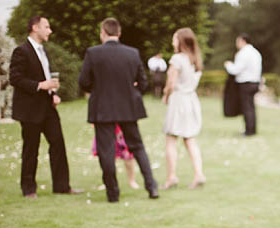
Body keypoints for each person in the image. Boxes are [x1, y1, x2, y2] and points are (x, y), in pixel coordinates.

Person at [79, 17, 158, 202]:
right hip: (128, 107)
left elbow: (83, 82)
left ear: (103, 33)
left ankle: (112, 193)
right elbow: (144, 82)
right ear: (119, 33)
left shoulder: (93, 53)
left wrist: (97, 91)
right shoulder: (132, 53)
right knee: (137, 147)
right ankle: (152, 187)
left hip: (102, 108)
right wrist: (131, 92)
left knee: (106, 151)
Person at [9, 16, 81, 199]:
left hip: (48, 108)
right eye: (46, 27)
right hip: (30, 110)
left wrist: (53, 94)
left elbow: (46, 78)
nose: (50, 31)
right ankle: (28, 189)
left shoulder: (43, 51)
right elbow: (15, 78)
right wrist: (41, 85)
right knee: (31, 150)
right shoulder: (21, 51)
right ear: (35, 28)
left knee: (58, 145)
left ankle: (62, 187)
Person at [162, 28, 206, 190]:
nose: (172, 42)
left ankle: (171, 177)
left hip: (179, 101)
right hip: (191, 101)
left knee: (171, 139)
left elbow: (171, 84)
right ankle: (199, 174)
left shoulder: (177, 59)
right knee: (190, 139)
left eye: (174, 39)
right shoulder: (195, 60)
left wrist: (166, 96)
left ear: (181, 41)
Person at [224, 33, 262, 136]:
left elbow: (236, 70)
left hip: (246, 83)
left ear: (243, 41)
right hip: (255, 82)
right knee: (251, 107)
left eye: (238, 42)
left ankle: (249, 131)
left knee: (247, 107)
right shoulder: (256, 52)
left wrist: (228, 65)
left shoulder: (243, 53)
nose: (237, 44)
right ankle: (251, 129)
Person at [91, 124, 139, 189]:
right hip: (106, 129)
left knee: (128, 157)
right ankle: (109, 182)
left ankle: (132, 180)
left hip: (122, 128)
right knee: (108, 159)